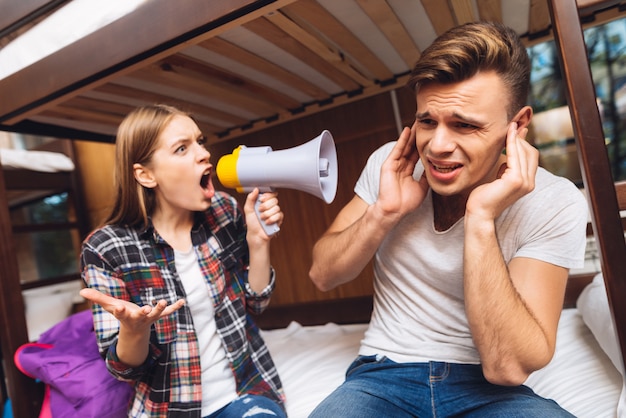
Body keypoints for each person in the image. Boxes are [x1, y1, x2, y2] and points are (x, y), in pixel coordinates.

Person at [308, 21, 587, 418]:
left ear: (518, 126)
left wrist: (481, 216)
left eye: (465, 125)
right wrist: (383, 212)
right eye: (427, 121)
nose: (437, 146)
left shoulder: (555, 200)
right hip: (382, 375)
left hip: (488, 387)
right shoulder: (392, 165)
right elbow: (323, 275)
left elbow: (506, 366)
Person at [79, 104, 286, 418]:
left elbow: (256, 304)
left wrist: (258, 242)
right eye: (181, 148)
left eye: (200, 142)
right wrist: (135, 330)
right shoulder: (106, 247)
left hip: (244, 394)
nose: (204, 154)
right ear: (146, 175)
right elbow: (124, 370)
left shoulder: (224, 211)